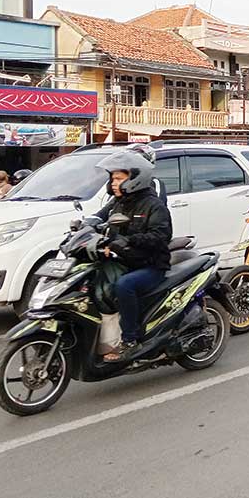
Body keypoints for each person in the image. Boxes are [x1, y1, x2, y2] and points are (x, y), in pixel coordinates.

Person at [94, 149, 173, 362]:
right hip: (125, 260)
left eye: (119, 178)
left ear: (135, 179)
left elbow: (160, 236)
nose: (113, 183)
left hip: (150, 265)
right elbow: (99, 217)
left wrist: (128, 240)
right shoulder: (119, 202)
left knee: (124, 285)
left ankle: (131, 339)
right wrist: (85, 226)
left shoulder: (153, 205)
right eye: (112, 179)